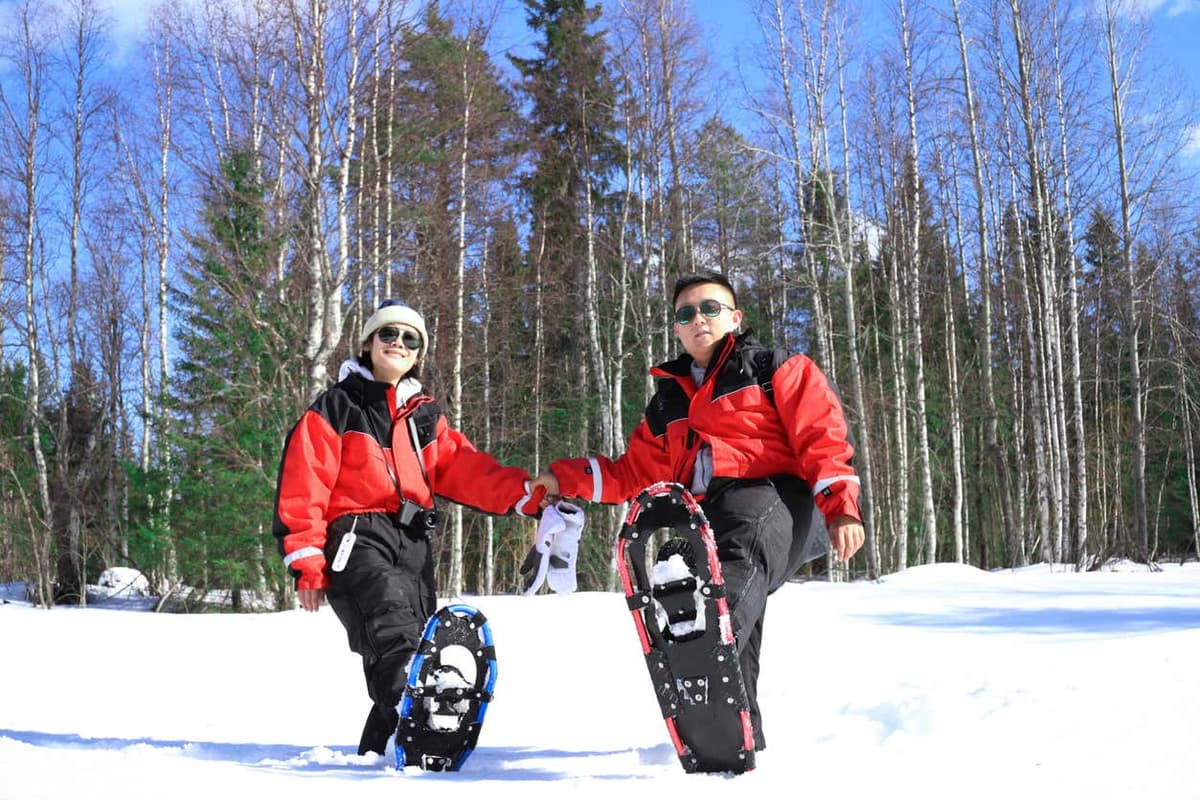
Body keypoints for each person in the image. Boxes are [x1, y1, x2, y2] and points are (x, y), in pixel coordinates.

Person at [531, 272, 864, 751]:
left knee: (732, 569)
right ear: (678, 329)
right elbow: (633, 474)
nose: (698, 319)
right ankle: (730, 735)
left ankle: (704, 639)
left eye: (710, 308)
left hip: (771, 494)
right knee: (707, 591)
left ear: (734, 318)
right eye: (686, 314)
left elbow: (822, 436)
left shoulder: (774, 368)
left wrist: (842, 509)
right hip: (702, 513)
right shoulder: (668, 400)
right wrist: (565, 479)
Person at [273, 299, 544, 756]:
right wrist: (307, 561)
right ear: (367, 343)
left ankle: (382, 758)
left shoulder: (423, 416)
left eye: (409, 338)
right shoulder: (337, 407)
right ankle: (418, 715)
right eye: (387, 334)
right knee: (393, 634)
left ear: (418, 354)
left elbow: (467, 470)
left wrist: (527, 494)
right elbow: (305, 483)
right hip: (356, 539)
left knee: (418, 649)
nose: (398, 343)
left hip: (414, 543)